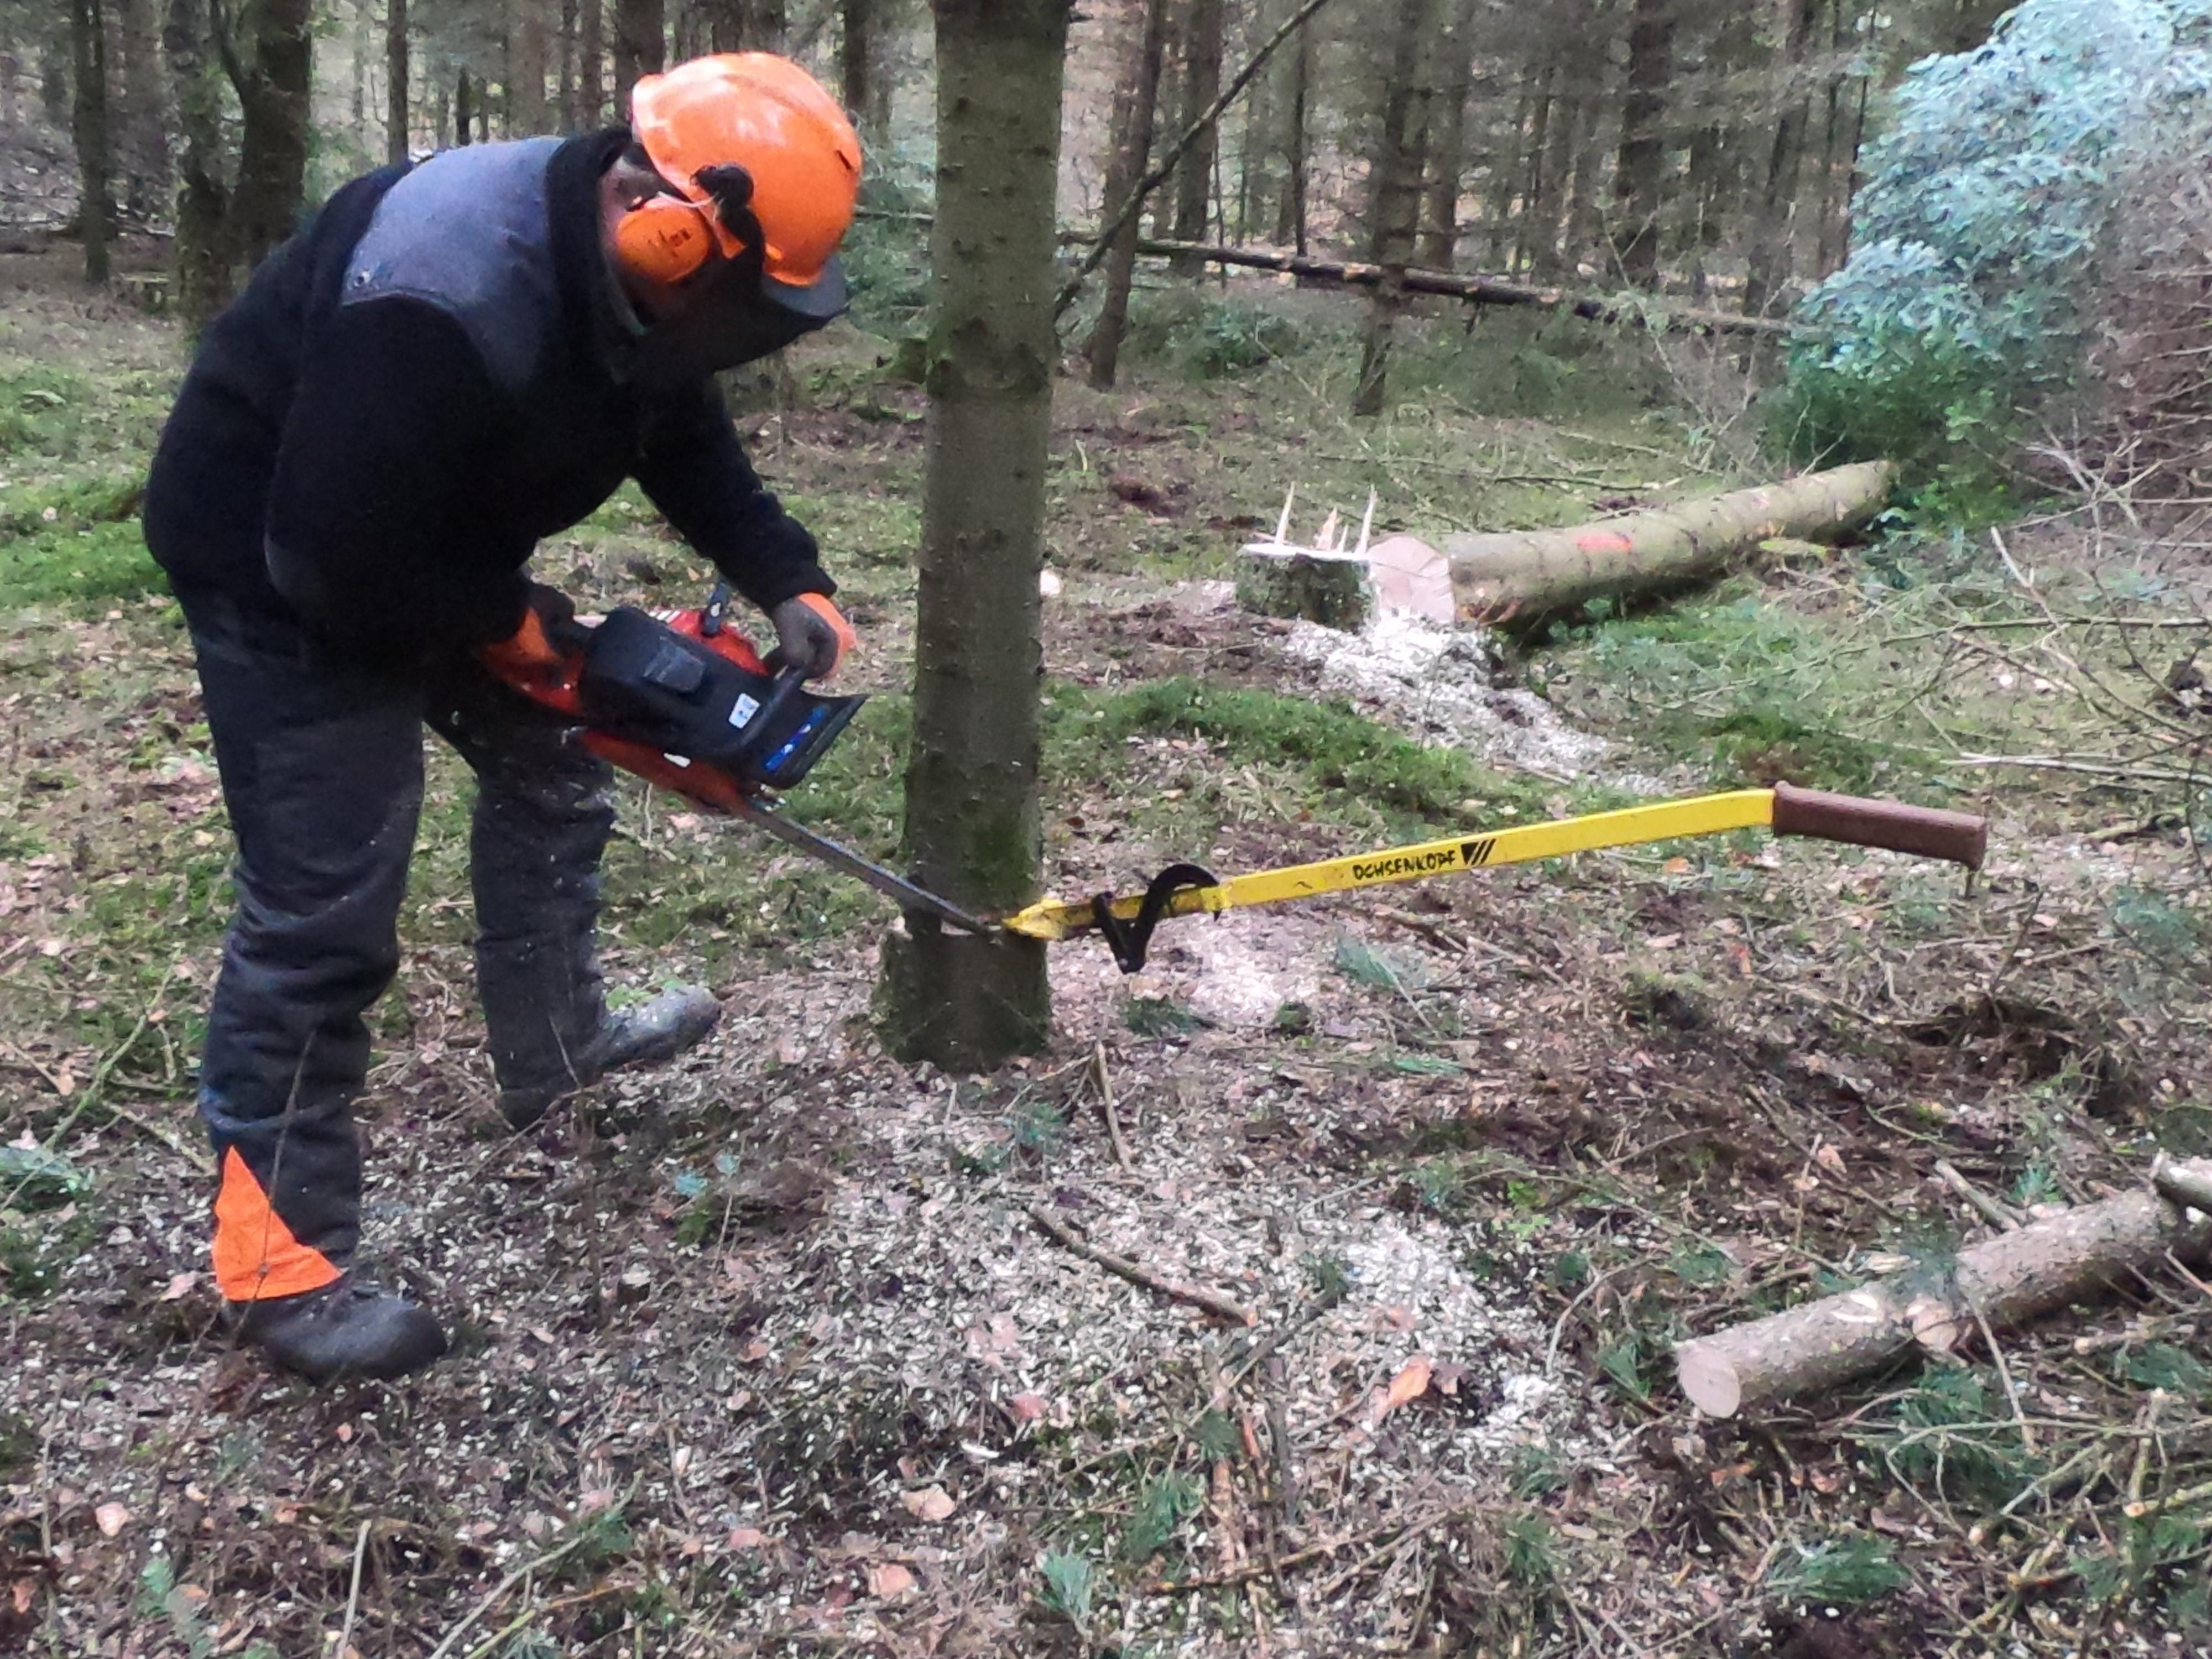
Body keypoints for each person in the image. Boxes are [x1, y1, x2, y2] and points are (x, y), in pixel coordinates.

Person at [141, 54, 863, 1384]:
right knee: (324, 905)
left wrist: (783, 571)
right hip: (278, 566)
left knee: (554, 762)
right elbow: (329, 548)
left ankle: (556, 1051)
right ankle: (278, 1266)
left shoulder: (635, 286)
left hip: (421, 539)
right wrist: (500, 622)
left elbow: (675, 422)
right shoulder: (445, 289)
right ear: (667, 226)